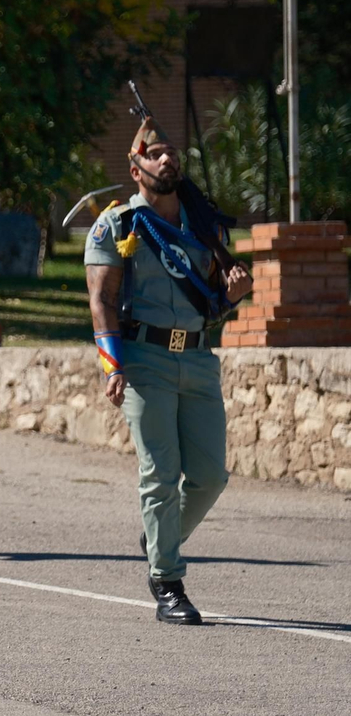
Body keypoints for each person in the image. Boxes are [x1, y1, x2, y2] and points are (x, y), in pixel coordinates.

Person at [85, 116, 252, 625]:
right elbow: (102, 300)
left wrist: (233, 296)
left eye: (172, 153)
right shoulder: (119, 225)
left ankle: (160, 536)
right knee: (159, 473)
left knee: (209, 477)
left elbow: (209, 306)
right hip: (144, 360)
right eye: (155, 154)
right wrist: (112, 364)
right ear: (135, 168)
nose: (167, 159)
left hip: (198, 358)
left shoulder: (204, 225)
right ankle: (167, 582)